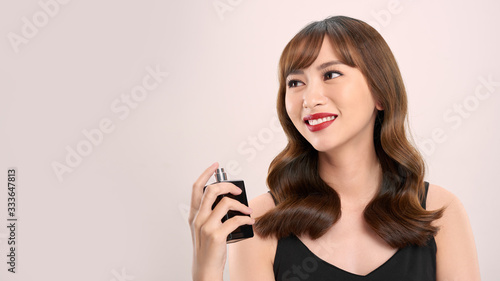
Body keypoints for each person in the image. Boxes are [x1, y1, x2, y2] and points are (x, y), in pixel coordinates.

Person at [189, 16, 480, 281]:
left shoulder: (439, 210)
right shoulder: (260, 219)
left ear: (379, 92)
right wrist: (207, 269)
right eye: (295, 82)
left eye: (330, 75)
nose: (309, 98)